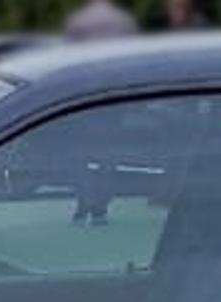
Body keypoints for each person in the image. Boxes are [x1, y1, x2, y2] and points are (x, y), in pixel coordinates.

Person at [62, 0, 138, 226]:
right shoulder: (123, 22)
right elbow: (131, 63)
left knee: (80, 158)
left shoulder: (79, 22)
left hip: (84, 99)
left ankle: (82, 204)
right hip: (113, 101)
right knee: (108, 158)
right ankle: (101, 208)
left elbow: (68, 63)